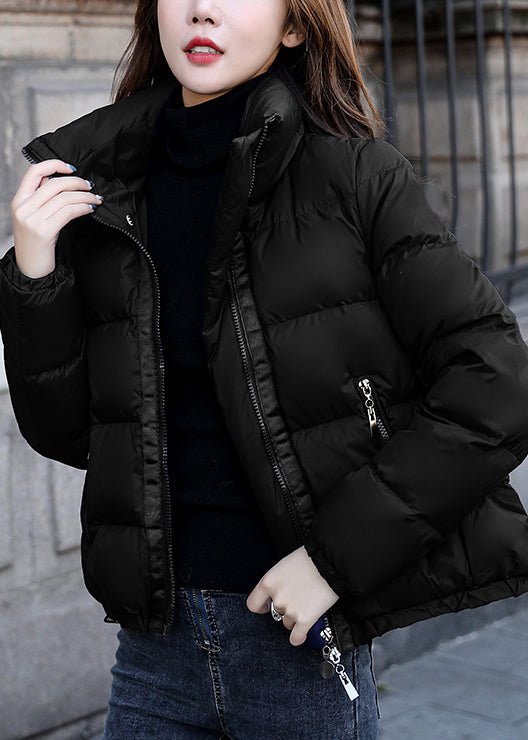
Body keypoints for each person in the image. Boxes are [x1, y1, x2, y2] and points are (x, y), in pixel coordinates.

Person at [2, 0, 528, 737]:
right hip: (154, 652)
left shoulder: (355, 176)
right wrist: (35, 276)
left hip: (297, 647)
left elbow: (498, 382)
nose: (202, 10)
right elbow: (71, 433)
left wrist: (333, 560)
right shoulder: (108, 192)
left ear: (294, 25)